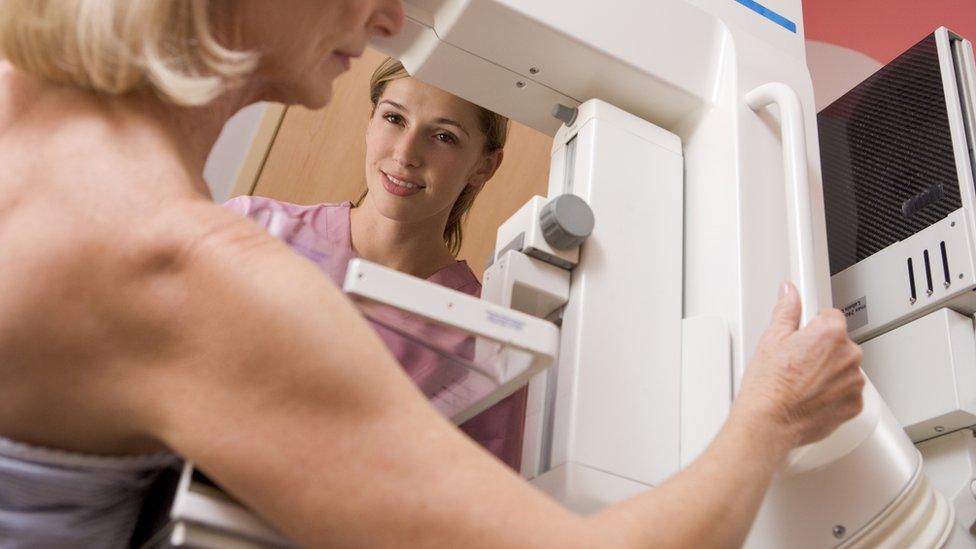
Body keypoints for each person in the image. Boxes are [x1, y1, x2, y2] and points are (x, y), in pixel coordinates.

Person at [0, 1, 865, 547]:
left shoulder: (19, 93)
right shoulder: (199, 275)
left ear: (482, 166)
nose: (384, 17)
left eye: (445, 135)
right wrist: (774, 415)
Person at [224, 57, 528, 470]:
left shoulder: (483, 343)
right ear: (369, 123)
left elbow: (469, 509)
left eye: (443, 136)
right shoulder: (252, 228)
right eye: (393, 118)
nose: (405, 154)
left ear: (484, 165)